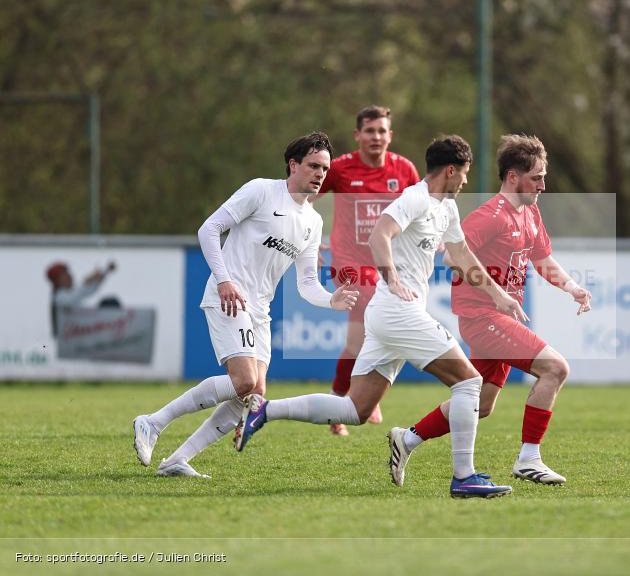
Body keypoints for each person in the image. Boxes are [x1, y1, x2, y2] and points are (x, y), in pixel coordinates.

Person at [233, 135, 523, 498]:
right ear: (450, 170)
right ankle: (463, 477)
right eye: (464, 174)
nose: (466, 182)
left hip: (391, 315)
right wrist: (392, 277)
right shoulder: (415, 198)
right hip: (397, 310)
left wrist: (499, 296)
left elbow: (462, 253)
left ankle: (267, 411)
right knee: (469, 383)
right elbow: (379, 235)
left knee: (355, 408)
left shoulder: (445, 207)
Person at [132, 132, 358, 478]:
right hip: (230, 298)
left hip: (260, 311)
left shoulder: (314, 222)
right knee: (244, 382)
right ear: (293, 165)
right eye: (313, 166)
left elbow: (307, 283)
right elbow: (209, 230)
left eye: (325, 169)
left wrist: (331, 299)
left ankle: (177, 459)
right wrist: (224, 280)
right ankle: (153, 422)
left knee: (253, 393)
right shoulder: (261, 190)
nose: (319, 174)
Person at [386, 134, 593, 487]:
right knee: (555, 368)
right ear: (513, 176)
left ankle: (406, 439)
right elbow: (451, 256)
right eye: (537, 177)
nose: (543, 185)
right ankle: (529, 458)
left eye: (543, 177)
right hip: (483, 318)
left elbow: (541, 259)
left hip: (501, 318)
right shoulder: (490, 215)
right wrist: (494, 293)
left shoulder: (529, 212)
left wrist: (572, 287)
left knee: (479, 404)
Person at [316, 105, 420, 436]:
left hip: (387, 265)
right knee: (381, 326)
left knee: (357, 341)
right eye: (370, 130)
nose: (376, 136)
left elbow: (423, 210)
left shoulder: (403, 169)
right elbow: (303, 198)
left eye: (382, 131)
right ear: (357, 135)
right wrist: (306, 239)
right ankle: (366, 398)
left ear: (390, 135)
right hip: (349, 264)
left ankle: (338, 405)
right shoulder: (341, 168)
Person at [46, 261, 116, 337]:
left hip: (79, 333)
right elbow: (74, 297)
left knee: (108, 303)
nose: (70, 276)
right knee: (109, 305)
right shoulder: (58, 297)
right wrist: (87, 281)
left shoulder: (67, 293)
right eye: (65, 275)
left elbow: (88, 290)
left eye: (69, 273)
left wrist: (104, 273)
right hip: (69, 340)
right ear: (57, 281)